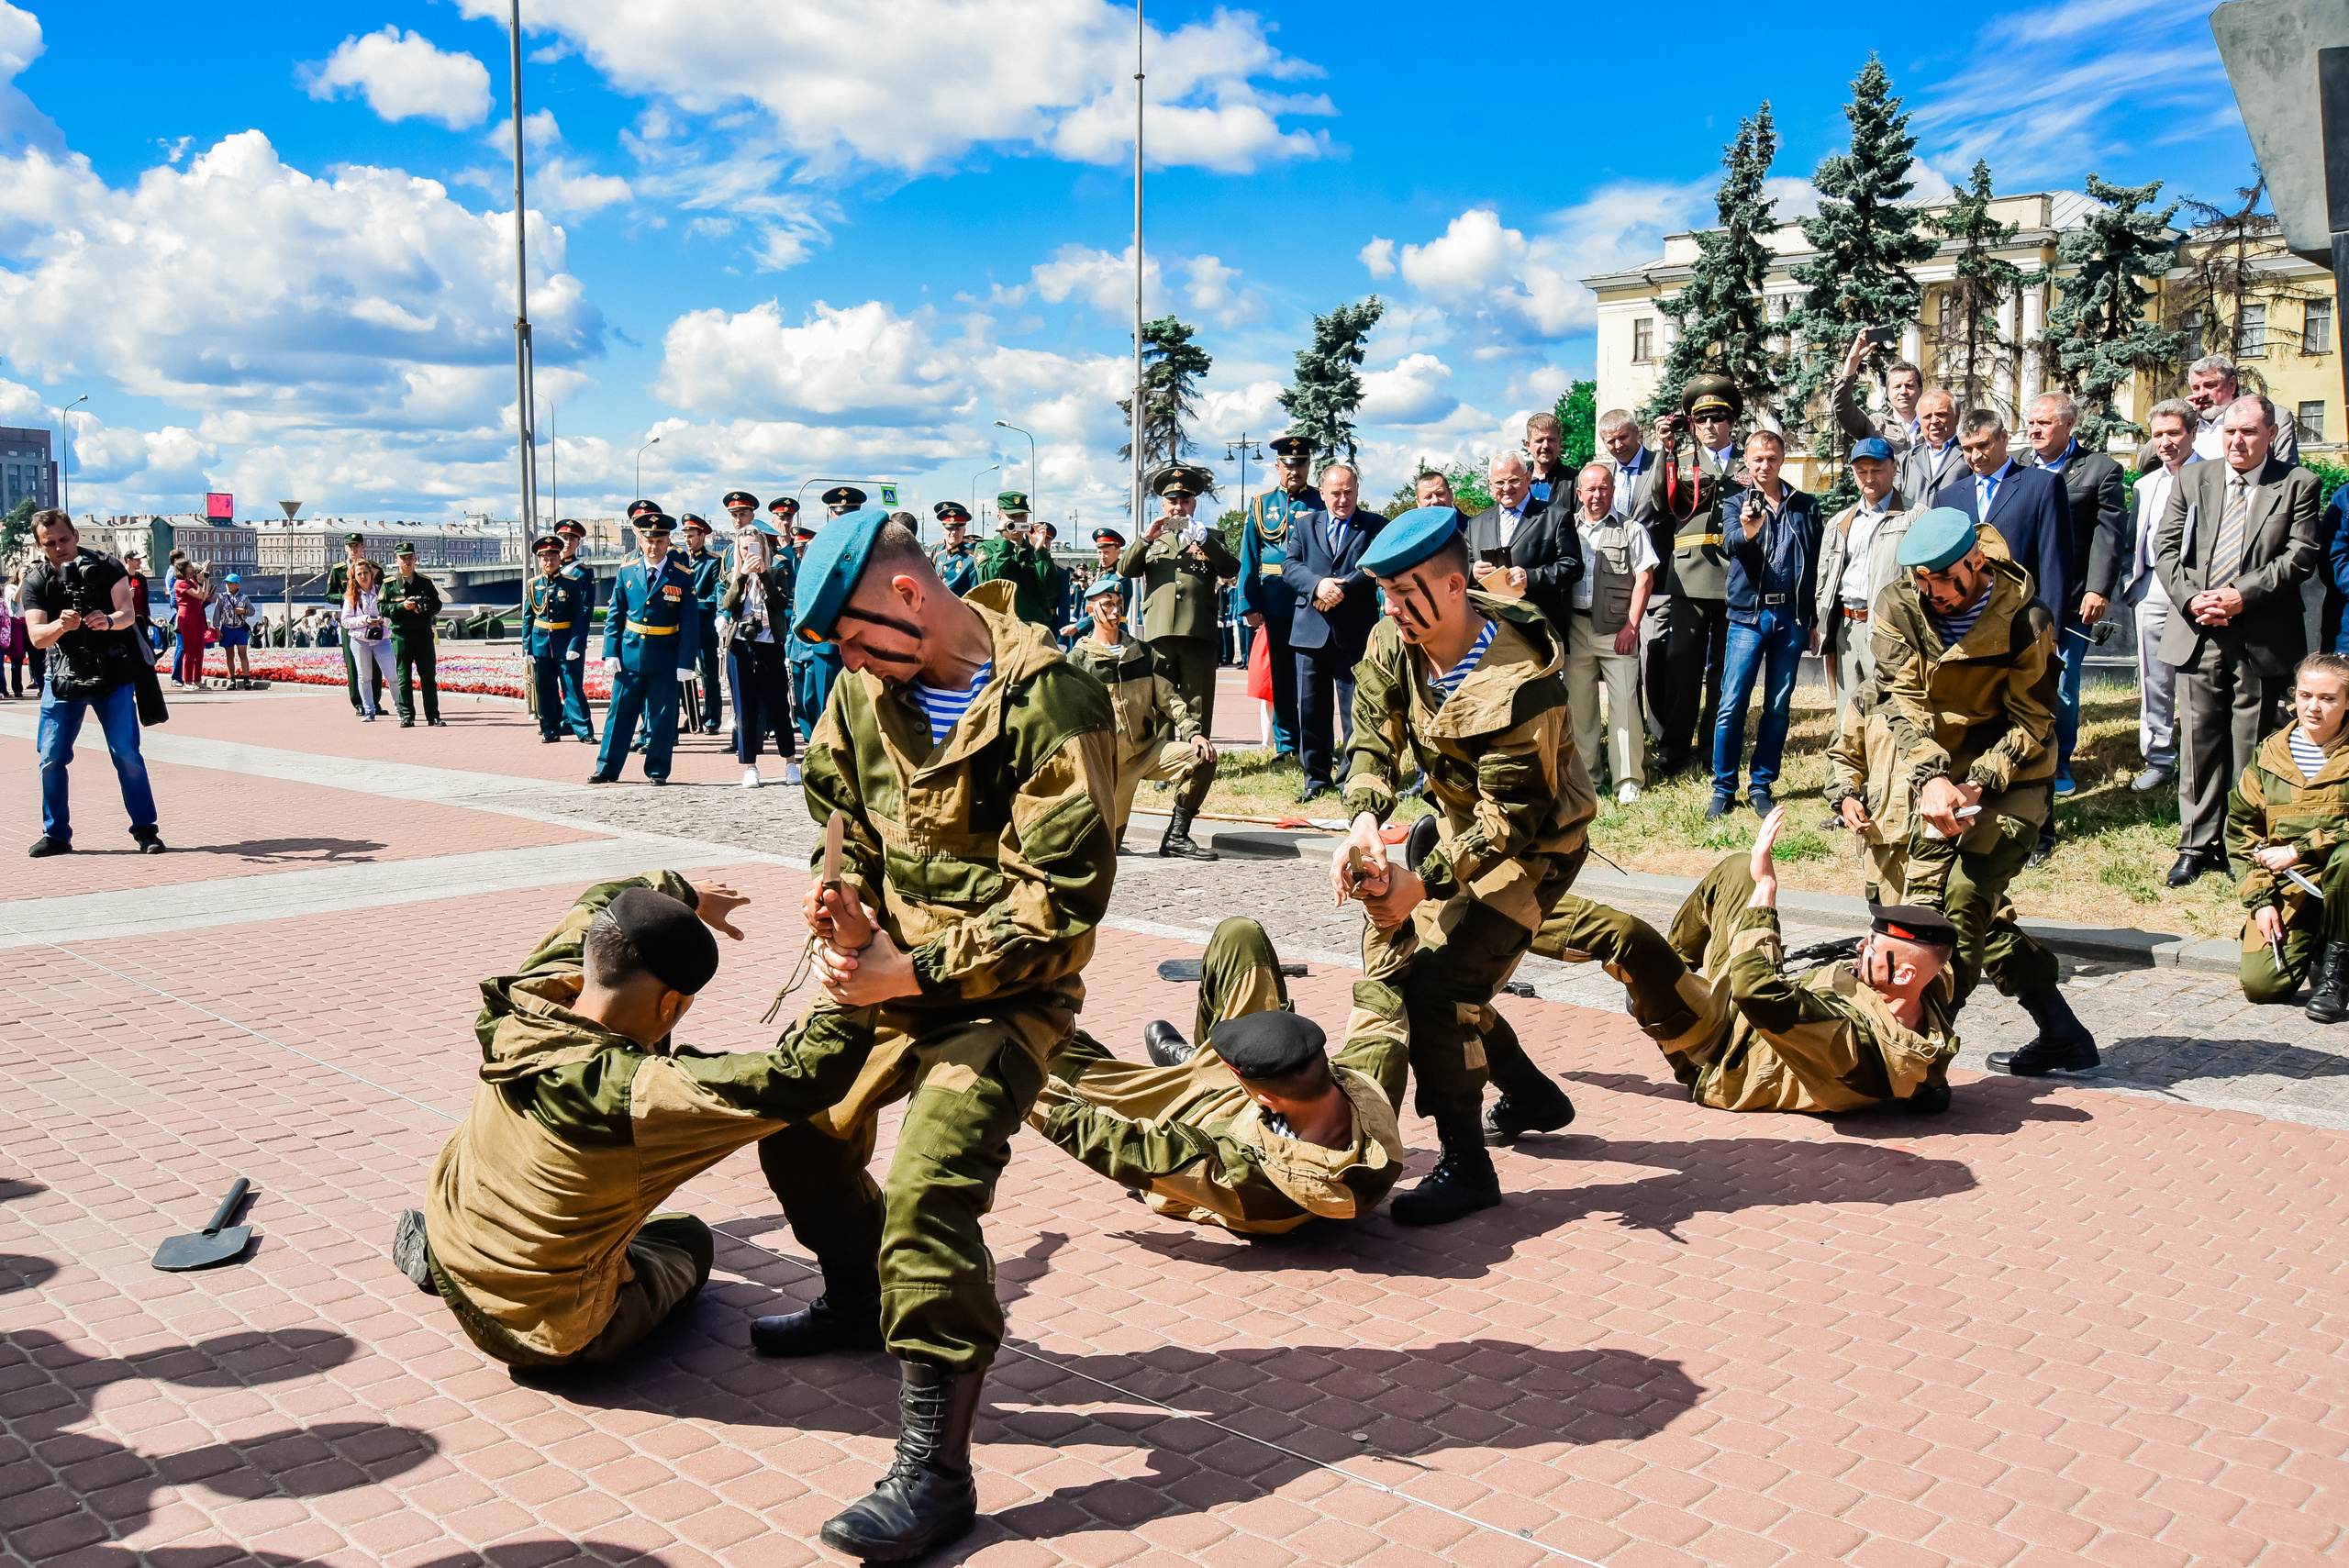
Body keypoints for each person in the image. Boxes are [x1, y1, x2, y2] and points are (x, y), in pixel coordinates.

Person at [746, 510, 1117, 1562]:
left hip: (1007, 994)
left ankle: (935, 1470)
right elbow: (842, 818)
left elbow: (1060, 906)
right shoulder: (864, 689)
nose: (849, 666)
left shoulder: (1055, 699)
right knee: (800, 1123)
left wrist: (903, 968)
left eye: (857, 639)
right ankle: (859, 1297)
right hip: (888, 969)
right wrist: (847, 905)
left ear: (909, 595)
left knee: (928, 1193)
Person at [393, 873, 887, 1371]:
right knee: (687, 1238)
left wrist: (684, 894)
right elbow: (804, 1075)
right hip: (541, 1331)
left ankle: (456, 1262)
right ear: (668, 1005)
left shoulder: (532, 993)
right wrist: (852, 969)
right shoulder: (639, 1097)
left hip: (451, 1231)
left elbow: (601, 900)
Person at [1335, 505, 1594, 1222]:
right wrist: (1362, 820)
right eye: (1384, 594)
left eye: (1404, 592)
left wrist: (1421, 880)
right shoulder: (1399, 634)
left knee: (1439, 987)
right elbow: (1373, 732)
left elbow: (1509, 823)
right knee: (1447, 974)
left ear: (1454, 586)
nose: (1391, 609)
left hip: (1537, 850)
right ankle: (1534, 1095)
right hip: (1461, 827)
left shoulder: (1518, 684)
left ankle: (1467, 1167)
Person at [1829, 506, 2099, 1076]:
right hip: (1935, 770)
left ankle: (1924, 1058)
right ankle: (2064, 1033)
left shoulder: (2027, 620)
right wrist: (1933, 780)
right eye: (1922, 582)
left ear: (1975, 563)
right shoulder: (1898, 605)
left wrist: (1973, 782)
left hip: (2013, 776)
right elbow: (1900, 703)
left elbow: (2032, 722)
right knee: (1963, 916)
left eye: (1945, 582)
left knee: (1963, 901)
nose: (1933, 595)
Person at [1534, 806, 1960, 1114]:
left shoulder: (1853, 1043)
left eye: (1872, 949)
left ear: (1904, 973)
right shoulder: (1930, 984)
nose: (1859, 948)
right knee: (1739, 867)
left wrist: (1767, 892)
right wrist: (1937, 834)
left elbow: (1760, 993)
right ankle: (1668, 981)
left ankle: (1492, 914)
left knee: (1626, 937)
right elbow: (1924, 915)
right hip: (1742, 1006)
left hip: (1718, 1053)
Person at [1028, 915, 1409, 1233]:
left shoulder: (1243, 1174)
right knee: (1241, 934)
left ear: (1263, 1098)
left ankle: (1185, 1066)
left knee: (1028, 1039)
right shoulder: (1365, 1086)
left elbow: (1123, 1147)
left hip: (1177, 1120)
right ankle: (1191, 1062)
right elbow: (1382, 1012)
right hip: (1257, 1089)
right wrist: (1385, 913)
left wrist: (1017, 1081)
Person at [2155, 394, 2324, 888]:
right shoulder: (2194, 477)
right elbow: (2165, 548)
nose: (2237, 441)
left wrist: (2237, 597)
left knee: (2250, 745)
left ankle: (2242, 844)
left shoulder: (2298, 485)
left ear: (2271, 434)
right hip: (2198, 630)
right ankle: (2195, 844)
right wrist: (2193, 600)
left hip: (2260, 634)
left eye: (2248, 432)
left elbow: (2299, 558)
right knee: (2199, 741)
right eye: (2230, 431)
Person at [2021, 390, 2130, 850]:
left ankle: (2060, 761)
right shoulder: (2020, 468)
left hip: (2072, 600)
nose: (2035, 431)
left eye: (2044, 423)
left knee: (2062, 682)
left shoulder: (2100, 470)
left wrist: (2098, 588)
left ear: (2068, 426)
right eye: (2030, 423)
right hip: (2022, 598)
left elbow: (2110, 533)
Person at [21, 510, 163, 858]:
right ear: (41, 545)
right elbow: (37, 637)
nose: (59, 548)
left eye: (64, 539)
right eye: (50, 543)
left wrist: (108, 620)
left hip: (113, 671)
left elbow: (127, 614)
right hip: (64, 674)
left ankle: (146, 831)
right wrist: (60, 626)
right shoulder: (36, 580)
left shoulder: (106, 566)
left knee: (126, 754)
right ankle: (55, 835)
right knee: (51, 756)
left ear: (75, 534)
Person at [1709, 429, 1820, 818]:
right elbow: (1729, 545)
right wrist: (1749, 529)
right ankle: (1723, 787)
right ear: (1748, 461)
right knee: (1732, 703)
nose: (1764, 465)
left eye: (1772, 458)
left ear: (1782, 459)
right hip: (1747, 617)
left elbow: (1817, 563)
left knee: (1777, 705)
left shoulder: (1805, 505)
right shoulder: (1735, 502)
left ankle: (1761, 785)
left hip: (1790, 617)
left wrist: (1813, 618)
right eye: (1757, 458)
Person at [1065, 575, 1218, 858]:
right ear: (1090, 610)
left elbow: (1170, 699)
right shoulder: (1079, 660)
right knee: (1104, 850)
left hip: (1146, 752)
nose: (1115, 610)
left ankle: (1176, 837)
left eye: (1119, 603)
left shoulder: (1144, 653)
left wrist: (1193, 732)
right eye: (1107, 604)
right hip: (1106, 767)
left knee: (1203, 756)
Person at [2231, 653, 2349, 1019]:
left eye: (2328, 698)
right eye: (2305, 695)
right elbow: (2241, 832)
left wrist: (2300, 849)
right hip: (2291, 886)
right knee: (2263, 987)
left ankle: (2337, 976)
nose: (2313, 707)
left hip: (2341, 877)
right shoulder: (2270, 754)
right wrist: (2262, 900)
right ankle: (2317, 944)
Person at [1280, 462, 1383, 803]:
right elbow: (1290, 565)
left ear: (1357, 492)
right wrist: (1318, 585)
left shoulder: (1373, 525)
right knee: (1310, 708)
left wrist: (1342, 590)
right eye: (1335, 493)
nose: (1342, 499)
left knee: (1354, 709)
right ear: (1322, 493)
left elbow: (1374, 565)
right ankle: (1315, 778)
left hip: (1352, 631)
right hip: (1310, 630)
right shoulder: (1305, 525)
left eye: (1349, 492)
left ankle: (1351, 779)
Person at [1658, 375, 1743, 776]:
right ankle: (1674, 750)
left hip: (1734, 576)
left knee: (1724, 671)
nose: (1710, 425)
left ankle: (1713, 751)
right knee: (1682, 667)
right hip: (1689, 575)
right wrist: (1665, 450)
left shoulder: (1748, 464)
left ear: (1731, 422)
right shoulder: (1680, 460)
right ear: (1691, 424)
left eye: (1718, 417)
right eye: (1702, 418)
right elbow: (1662, 500)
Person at [1559, 463, 1656, 804]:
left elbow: (1645, 578)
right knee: (1580, 708)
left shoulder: (1632, 529)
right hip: (1575, 628)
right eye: (1590, 489)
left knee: (1625, 707)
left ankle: (1628, 780)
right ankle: (1588, 778)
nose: (1596, 495)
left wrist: (1632, 626)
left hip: (1618, 630)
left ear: (1612, 490)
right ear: (1579, 492)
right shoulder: (1565, 526)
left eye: (1603, 488)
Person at [1123, 465, 1241, 744]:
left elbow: (1230, 568)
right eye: (1172, 502)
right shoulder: (1152, 538)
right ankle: (1163, 757)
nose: (1178, 508)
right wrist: (1144, 539)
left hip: (1197, 628)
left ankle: (1195, 755)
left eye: (1184, 501)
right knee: (1160, 697)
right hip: (1159, 631)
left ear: (1194, 504)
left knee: (1197, 696)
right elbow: (1126, 568)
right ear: (1163, 504)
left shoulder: (1211, 536)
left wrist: (1205, 540)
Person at [1815, 437, 1911, 756]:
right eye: (1861, 471)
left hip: (1887, 630)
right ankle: (1846, 791)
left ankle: (1885, 788)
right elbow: (1825, 578)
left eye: (1877, 470)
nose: (1869, 478)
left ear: (1894, 469)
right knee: (1849, 712)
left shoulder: (1913, 517)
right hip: (1846, 627)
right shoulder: (1840, 521)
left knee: (1888, 712)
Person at [590, 517, 700, 785]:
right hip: (629, 656)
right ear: (641, 541)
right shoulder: (627, 570)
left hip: (665, 655)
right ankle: (607, 767)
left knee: (662, 717)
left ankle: (658, 769)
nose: (654, 547)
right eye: (649, 541)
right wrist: (610, 652)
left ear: (667, 542)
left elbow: (689, 623)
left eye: (659, 542)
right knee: (619, 715)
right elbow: (615, 615)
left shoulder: (683, 576)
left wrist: (686, 662)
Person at [1932, 408, 2069, 613]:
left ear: (2003, 437)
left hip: (2023, 615)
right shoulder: (1947, 498)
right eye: (1968, 449)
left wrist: (2051, 627)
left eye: (1983, 445)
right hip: (1963, 619)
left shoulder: (2043, 485)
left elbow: (2054, 563)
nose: (1976, 456)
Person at [1239, 433, 1319, 762]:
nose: (1294, 470)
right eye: (1288, 464)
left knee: (1312, 675)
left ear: (1308, 466)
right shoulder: (1261, 504)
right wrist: (1250, 604)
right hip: (1275, 601)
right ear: (1277, 466)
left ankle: (1314, 743)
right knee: (1282, 676)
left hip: (1312, 600)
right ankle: (1287, 746)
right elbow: (1249, 556)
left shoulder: (1320, 501)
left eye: (1300, 464)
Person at [1598, 410, 1671, 741]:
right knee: (1625, 665)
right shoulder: (1603, 476)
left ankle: (1661, 736)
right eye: (1609, 441)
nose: (1616, 445)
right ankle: (1632, 734)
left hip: (1657, 582)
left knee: (1652, 662)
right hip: (1614, 585)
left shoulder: (1660, 463)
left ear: (1637, 434)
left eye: (1622, 438)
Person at [1467, 451, 1583, 632]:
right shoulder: (1475, 525)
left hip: (1539, 627)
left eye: (1514, 480)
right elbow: (1461, 568)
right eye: (1499, 482)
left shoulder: (1556, 517)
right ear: (1490, 484)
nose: (1507, 487)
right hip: (1491, 630)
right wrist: (1473, 572)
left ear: (1528, 478)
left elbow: (1573, 567)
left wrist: (1530, 577)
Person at [725, 519, 798, 788]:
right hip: (741, 646)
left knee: (779, 705)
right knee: (745, 708)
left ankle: (790, 762)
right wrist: (743, 576)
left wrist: (764, 573)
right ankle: (749, 766)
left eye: (753, 547)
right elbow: (728, 604)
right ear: (738, 550)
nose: (749, 553)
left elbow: (779, 603)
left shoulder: (778, 572)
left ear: (763, 548)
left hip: (770, 645)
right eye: (744, 548)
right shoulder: (732, 575)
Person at [522, 538, 594, 743]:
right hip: (541, 646)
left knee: (572, 688)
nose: (548, 562)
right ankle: (550, 729)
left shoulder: (570, 584)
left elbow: (579, 618)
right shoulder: (534, 585)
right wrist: (527, 648)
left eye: (553, 558)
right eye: (544, 559)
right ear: (539, 561)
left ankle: (584, 731)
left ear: (559, 558)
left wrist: (575, 644)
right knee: (546, 691)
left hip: (564, 644)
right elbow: (528, 619)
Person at [786, 516, 843, 740]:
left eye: (803, 551)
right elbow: (795, 612)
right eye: (798, 551)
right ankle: (810, 739)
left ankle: (816, 740)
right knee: (803, 699)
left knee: (815, 698)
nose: (799, 555)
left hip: (816, 646)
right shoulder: (801, 573)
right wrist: (790, 645)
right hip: (799, 646)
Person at [2188, 352, 2299, 464]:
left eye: (2210, 385)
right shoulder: (2187, 423)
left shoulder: (2276, 417)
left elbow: (2287, 472)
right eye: (2196, 388)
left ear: (2232, 384)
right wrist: (2185, 418)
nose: (2201, 394)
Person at [1832, 330, 1926, 458]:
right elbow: (1841, 407)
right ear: (1888, 392)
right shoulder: (1874, 426)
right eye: (1897, 387)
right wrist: (1852, 361)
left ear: (1920, 389)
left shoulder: (1934, 423)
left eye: (1909, 386)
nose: (1903, 392)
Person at [382, 543, 445, 728]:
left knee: (428, 677)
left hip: (423, 635)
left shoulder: (425, 582)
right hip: (401, 636)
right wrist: (402, 606)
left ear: (415, 559)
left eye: (410, 557)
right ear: (396, 560)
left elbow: (438, 604)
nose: (407, 561)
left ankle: (433, 716)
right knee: (403, 678)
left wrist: (425, 608)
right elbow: (383, 608)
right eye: (403, 558)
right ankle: (407, 715)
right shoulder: (390, 584)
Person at [974, 493, 1060, 628]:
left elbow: (1051, 590)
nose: (1018, 521)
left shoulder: (1034, 550)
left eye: (1022, 516)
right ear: (1000, 518)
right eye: (1013, 517)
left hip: (1033, 627)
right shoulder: (986, 547)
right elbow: (990, 580)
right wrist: (1005, 542)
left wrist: (1039, 551)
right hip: (1000, 627)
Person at [325, 534, 384, 717]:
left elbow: (383, 593)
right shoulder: (338, 570)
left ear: (363, 546)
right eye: (350, 546)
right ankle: (359, 703)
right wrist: (347, 596)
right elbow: (329, 595)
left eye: (357, 545)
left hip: (372, 620)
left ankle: (375, 701)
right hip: (350, 621)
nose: (354, 549)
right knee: (354, 664)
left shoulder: (375, 569)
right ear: (345, 548)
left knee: (375, 663)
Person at [550, 519, 597, 743]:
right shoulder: (549, 570)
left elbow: (586, 610)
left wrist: (578, 639)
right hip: (549, 639)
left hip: (570, 636)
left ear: (578, 542)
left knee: (572, 684)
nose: (566, 542)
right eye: (563, 537)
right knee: (549, 685)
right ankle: (560, 722)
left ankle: (583, 729)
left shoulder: (583, 572)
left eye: (571, 538)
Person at [681, 516, 727, 735]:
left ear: (703, 536)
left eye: (691, 536)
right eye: (685, 536)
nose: (687, 540)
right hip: (683, 629)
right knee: (683, 673)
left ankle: (711, 719)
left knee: (709, 676)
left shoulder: (713, 562)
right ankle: (692, 717)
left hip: (705, 627)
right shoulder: (680, 560)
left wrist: (690, 604)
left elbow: (715, 597)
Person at [340, 561, 396, 721]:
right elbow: (345, 621)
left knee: (392, 676)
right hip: (360, 640)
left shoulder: (381, 592)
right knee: (365, 677)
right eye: (359, 574)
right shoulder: (351, 596)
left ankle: (401, 709)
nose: (363, 576)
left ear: (372, 575)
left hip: (381, 639)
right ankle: (369, 711)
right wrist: (365, 620)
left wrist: (381, 621)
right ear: (354, 577)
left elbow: (390, 614)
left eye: (366, 573)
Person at [1898, 389, 1967, 516]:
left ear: (1956, 417)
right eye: (1927, 416)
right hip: (1914, 532)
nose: (1934, 421)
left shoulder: (1970, 457)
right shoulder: (1904, 461)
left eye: (1941, 414)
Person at [211, 572, 257, 690]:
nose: (228, 585)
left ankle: (246, 679)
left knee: (243, 654)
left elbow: (252, 611)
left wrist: (244, 611)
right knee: (229, 655)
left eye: (230, 583)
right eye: (227, 583)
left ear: (237, 585)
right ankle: (232, 680)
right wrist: (216, 627)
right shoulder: (222, 597)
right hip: (227, 628)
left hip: (240, 628)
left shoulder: (244, 598)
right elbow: (217, 613)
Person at [930, 503, 980, 595]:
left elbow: (974, 592)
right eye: (950, 528)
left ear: (964, 531)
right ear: (943, 530)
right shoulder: (938, 551)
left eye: (958, 529)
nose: (953, 532)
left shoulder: (971, 556)